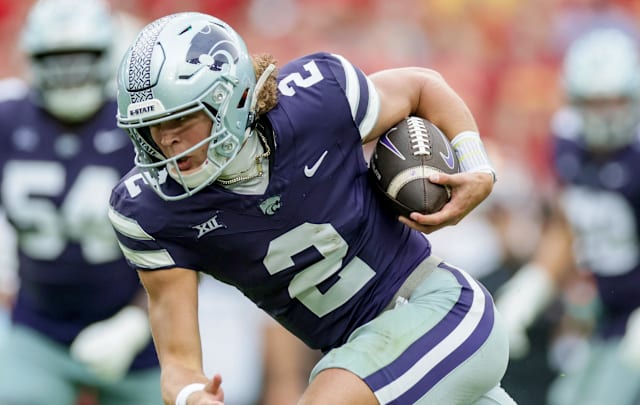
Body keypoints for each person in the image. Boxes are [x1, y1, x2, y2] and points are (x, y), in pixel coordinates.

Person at [108, 11, 514, 405]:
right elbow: (178, 364)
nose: (165, 141)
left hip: (441, 310)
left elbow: (421, 87)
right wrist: (190, 396)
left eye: (181, 120)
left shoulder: (317, 100)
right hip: (362, 357)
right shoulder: (150, 210)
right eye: (151, 127)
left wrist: (476, 164)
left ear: (229, 100)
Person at [0, 0, 162, 404]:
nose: (69, 72)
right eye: (56, 59)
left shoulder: (141, 123)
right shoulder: (2, 120)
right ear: (31, 58)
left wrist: (135, 324)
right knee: (3, 396)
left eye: (81, 58)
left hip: (142, 331)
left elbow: (187, 241)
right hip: (39, 330)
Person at [494, 27, 640, 405]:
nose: (605, 115)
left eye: (615, 102)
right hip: (610, 316)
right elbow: (567, 222)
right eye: (594, 103)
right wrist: (534, 286)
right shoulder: (568, 142)